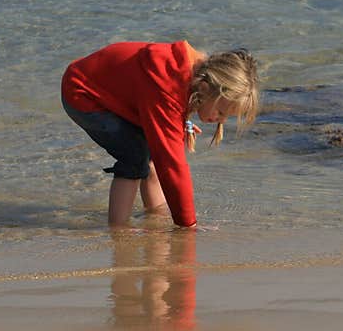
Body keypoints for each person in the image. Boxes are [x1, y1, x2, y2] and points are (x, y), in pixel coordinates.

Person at [61, 40, 259, 227]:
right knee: (135, 156)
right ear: (205, 88)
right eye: (221, 112)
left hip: (113, 95)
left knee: (153, 154)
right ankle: (119, 230)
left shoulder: (195, 70)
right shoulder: (167, 84)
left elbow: (160, 100)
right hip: (83, 92)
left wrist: (183, 122)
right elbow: (173, 167)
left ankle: (156, 215)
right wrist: (188, 224)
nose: (221, 120)